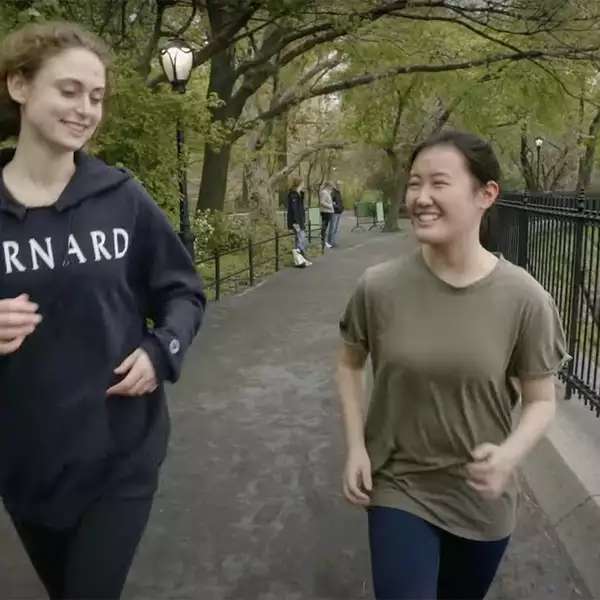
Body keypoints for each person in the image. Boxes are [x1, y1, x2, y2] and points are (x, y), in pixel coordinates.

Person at [0, 21, 205, 599]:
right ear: (19, 85)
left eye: (96, 97)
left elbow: (183, 292)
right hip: (25, 460)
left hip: (120, 451)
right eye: (68, 91)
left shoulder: (121, 198)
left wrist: (160, 349)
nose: (86, 109)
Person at [336, 130, 569, 600]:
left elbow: (541, 400)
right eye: (414, 184)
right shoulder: (378, 287)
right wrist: (357, 446)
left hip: (480, 501)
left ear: (486, 195)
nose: (420, 198)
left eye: (438, 183)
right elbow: (348, 363)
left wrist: (509, 455)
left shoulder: (525, 298)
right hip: (399, 484)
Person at [286, 176, 311, 267]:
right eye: (302, 183)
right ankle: (301, 259)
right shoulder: (293, 195)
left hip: (300, 220)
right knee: (301, 239)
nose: (303, 185)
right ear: (299, 183)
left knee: (299, 240)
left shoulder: (298, 194)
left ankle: (300, 260)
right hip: (297, 221)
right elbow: (294, 210)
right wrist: (296, 222)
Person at [328, 180, 344, 247]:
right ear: (336, 185)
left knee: (336, 228)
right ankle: (330, 242)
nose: (340, 186)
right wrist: (336, 206)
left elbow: (340, 201)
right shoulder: (333, 192)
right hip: (334, 212)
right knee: (332, 227)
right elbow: (330, 202)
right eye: (339, 185)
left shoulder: (338, 192)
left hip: (339, 212)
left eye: (340, 185)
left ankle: (333, 242)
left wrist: (342, 207)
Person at [319, 182, 334, 249]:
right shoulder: (324, 192)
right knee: (324, 227)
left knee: (325, 227)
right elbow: (322, 202)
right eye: (331, 186)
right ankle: (323, 242)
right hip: (326, 212)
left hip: (328, 212)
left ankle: (324, 242)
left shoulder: (327, 192)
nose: (332, 188)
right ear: (328, 186)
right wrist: (330, 206)